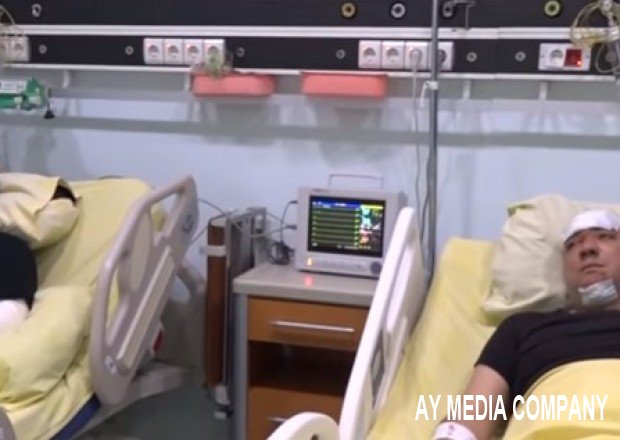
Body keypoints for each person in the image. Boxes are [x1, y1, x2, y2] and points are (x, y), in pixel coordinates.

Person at [432, 209, 620, 440]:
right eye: (573, 244)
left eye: (604, 236)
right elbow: (469, 419)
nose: (587, 248)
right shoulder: (522, 329)